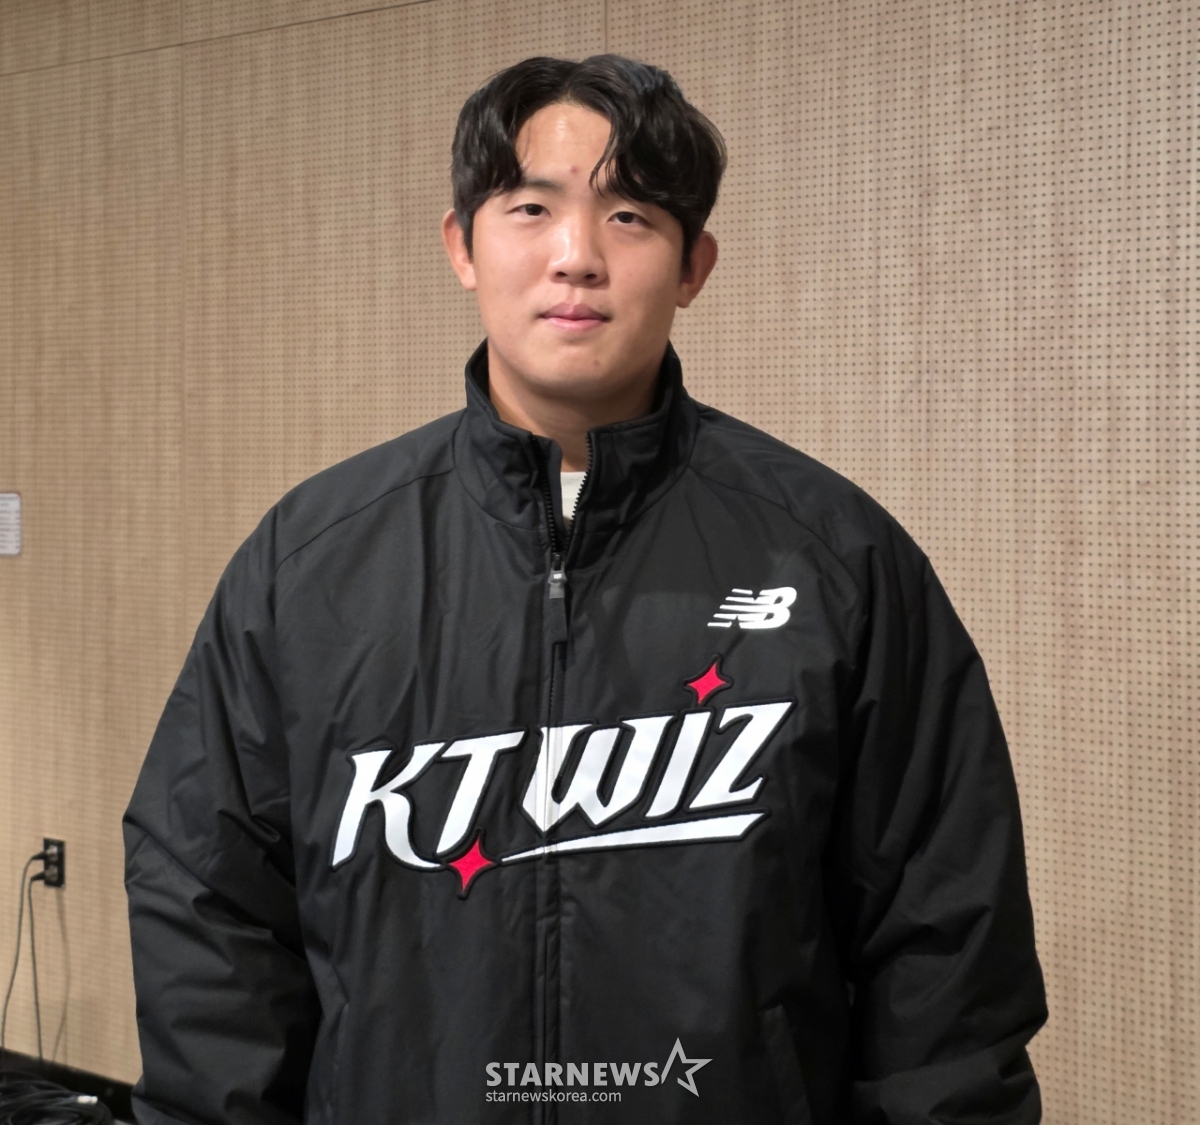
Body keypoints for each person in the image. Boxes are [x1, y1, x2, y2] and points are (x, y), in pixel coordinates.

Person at [124, 54, 1046, 1125]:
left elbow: (946, 951)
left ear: (694, 265)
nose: (577, 256)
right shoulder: (311, 564)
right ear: (461, 245)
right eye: (531, 208)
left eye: (630, 217)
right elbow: (212, 913)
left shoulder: (835, 559)